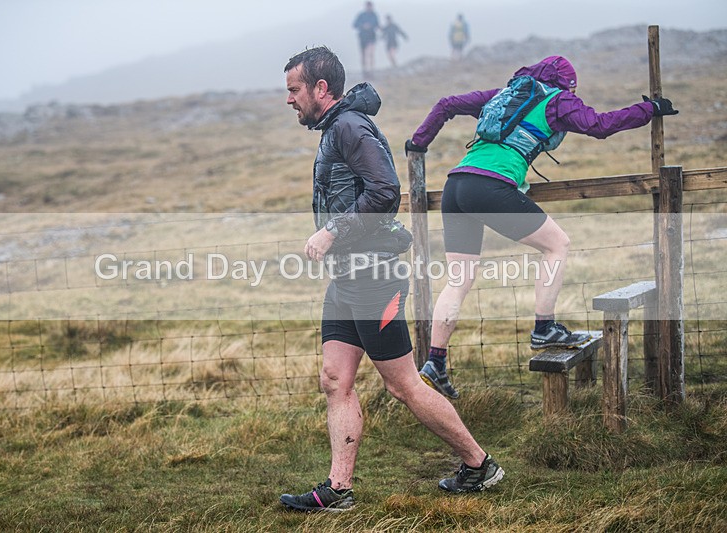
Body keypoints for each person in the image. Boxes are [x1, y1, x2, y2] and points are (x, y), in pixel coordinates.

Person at [280, 46, 504, 512]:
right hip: (347, 278)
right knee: (334, 379)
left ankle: (479, 463)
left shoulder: (349, 126)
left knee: (402, 385)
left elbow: (385, 191)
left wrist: (331, 230)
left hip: (375, 278)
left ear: (321, 88)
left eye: (294, 89)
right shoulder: (335, 128)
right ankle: (338, 489)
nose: (289, 99)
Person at [406, 56, 678, 398]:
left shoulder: (506, 94)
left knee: (458, 280)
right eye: (572, 89)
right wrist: (649, 109)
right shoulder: (558, 101)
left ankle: (435, 363)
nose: (573, 95)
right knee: (557, 244)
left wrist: (418, 143)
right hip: (491, 186)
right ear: (566, 85)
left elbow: (447, 104)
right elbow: (601, 125)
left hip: (456, 185)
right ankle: (544, 327)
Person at [353, 1, 380, 77]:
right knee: (363, 55)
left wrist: (371, 26)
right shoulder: (361, 15)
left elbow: (377, 24)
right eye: (368, 6)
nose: (369, 8)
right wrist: (363, 26)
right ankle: (365, 70)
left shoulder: (374, 15)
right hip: (363, 37)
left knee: (371, 53)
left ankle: (371, 70)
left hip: (371, 37)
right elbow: (355, 24)